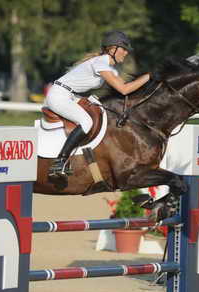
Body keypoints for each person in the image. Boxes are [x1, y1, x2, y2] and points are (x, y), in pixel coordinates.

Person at [45, 30, 154, 182]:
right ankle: (60, 162)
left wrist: (148, 78)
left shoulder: (108, 67)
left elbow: (125, 87)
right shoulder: (100, 63)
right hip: (58, 95)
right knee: (86, 122)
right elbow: (124, 90)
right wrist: (149, 76)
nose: (126, 53)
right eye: (124, 49)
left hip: (71, 95)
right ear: (112, 49)